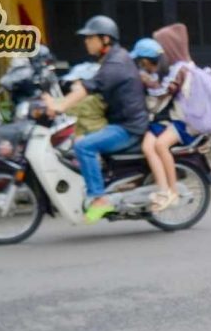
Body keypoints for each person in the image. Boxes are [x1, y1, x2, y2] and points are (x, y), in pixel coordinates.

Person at [42, 15, 148, 223]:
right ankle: (99, 184)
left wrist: (61, 105)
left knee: (84, 147)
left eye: (90, 38)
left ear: (105, 39)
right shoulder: (112, 59)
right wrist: (60, 101)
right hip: (119, 122)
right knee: (75, 142)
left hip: (128, 128)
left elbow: (89, 87)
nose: (86, 42)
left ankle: (99, 198)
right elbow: (88, 86)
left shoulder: (116, 62)